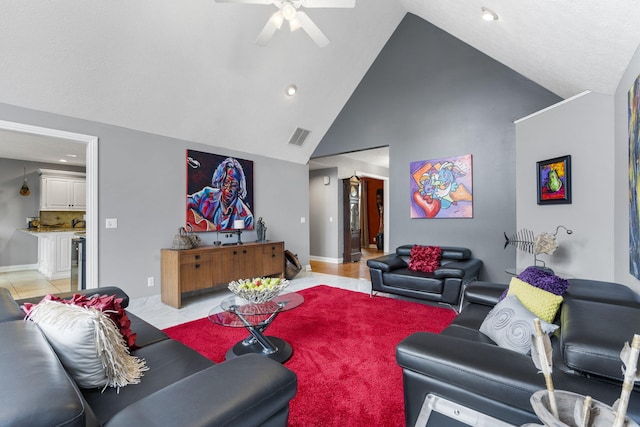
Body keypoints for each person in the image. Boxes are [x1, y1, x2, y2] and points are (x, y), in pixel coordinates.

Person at [187, 157, 254, 231]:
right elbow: (185, 202)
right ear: (220, 181)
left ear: (239, 187)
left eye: (234, 185)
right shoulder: (206, 194)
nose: (228, 189)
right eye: (226, 182)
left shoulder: (246, 218)